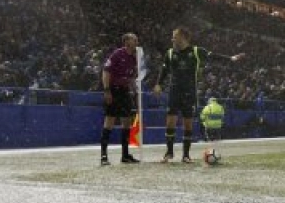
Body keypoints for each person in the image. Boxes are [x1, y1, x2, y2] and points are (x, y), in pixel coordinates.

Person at [152, 26, 244, 163]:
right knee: (170, 122)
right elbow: (164, 70)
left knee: (188, 124)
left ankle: (186, 155)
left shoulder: (196, 51)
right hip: (174, 91)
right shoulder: (170, 53)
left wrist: (231, 58)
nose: (172, 38)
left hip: (190, 92)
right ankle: (169, 153)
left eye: (175, 36)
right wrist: (158, 83)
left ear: (183, 37)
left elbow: (213, 57)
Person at [99, 32, 141, 166]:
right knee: (109, 121)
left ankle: (125, 155)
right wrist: (107, 90)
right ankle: (104, 156)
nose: (137, 41)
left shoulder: (134, 58)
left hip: (125, 91)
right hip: (113, 90)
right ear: (127, 42)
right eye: (134, 39)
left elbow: (131, 77)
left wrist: (134, 89)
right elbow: (106, 71)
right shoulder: (117, 54)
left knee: (127, 122)